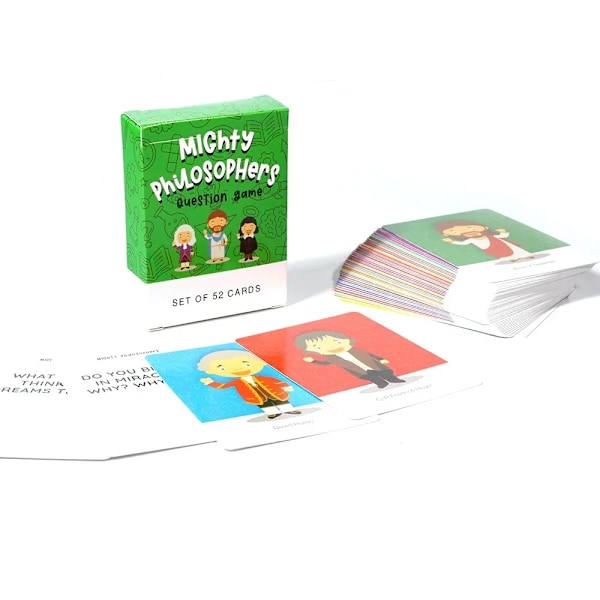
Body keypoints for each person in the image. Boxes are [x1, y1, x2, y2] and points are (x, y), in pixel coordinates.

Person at [198, 349, 302, 420]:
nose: (238, 369)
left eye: (247, 364)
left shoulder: (263, 377)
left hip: (275, 393)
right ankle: (273, 412)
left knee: (281, 401)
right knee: (265, 404)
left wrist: (285, 386)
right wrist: (210, 382)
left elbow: (275, 381)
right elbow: (223, 386)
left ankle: (288, 410)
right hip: (255, 397)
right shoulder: (237, 382)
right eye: (222, 368)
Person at [294, 330, 405, 389]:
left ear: (346, 340)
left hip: (373, 364)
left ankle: (393, 379)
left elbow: (369, 354)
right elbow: (326, 363)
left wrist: (381, 359)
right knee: (372, 377)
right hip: (360, 370)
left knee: (385, 372)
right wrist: (313, 361)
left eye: (337, 342)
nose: (332, 346)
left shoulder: (356, 351)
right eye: (318, 347)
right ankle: (381, 383)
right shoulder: (331, 357)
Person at [435, 219, 534, 261]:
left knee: (514, 249)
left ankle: (526, 255)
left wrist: (503, 232)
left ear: (485, 227)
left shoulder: (490, 236)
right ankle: (512, 259)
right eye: (454, 231)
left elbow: (502, 236)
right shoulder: (472, 240)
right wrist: (452, 241)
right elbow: (464, 243)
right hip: (490, 248)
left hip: (501, 244)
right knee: (502, 254)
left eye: (471, 228)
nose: (469, 231)